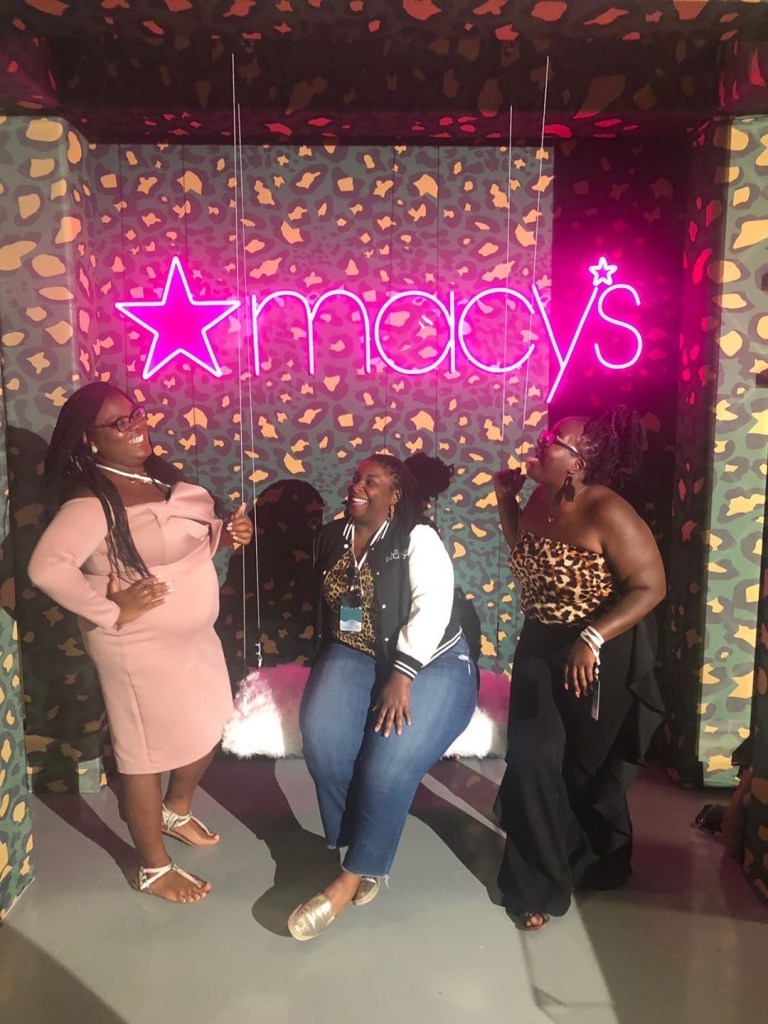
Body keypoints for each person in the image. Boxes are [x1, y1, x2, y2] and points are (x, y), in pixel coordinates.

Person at [28, 382, 253, 904]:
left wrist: (225, 535)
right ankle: (152, 866)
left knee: (212, 720)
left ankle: (176, 810)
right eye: (118, 423)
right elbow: (46, 567)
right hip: (137, 647)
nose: (135, 426)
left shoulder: (156, 475)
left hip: (195, 639)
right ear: (90, 439)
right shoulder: (92, 500)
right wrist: (112, 610)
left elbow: (173, 547)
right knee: (144, 753)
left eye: (135, 414)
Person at [289, 453, 477, 940]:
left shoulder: (417, 537)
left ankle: (350, 878)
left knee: (387, 763)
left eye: (372, 482)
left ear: (395, 496)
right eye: (356, 478)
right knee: (325, 744)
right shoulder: (333, 537)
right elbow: (340, 608)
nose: (358, 486)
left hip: (430, 660)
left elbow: (433, 606)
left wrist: (403, 671)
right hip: (356, 650)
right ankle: (359, 846)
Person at [493, 406, 666, 930]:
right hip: (539, 644)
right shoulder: (538, 499)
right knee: (531, 758)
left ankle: (594, 858)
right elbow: (525, 552)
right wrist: (505, 501)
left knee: (584, 769)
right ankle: (536, 887)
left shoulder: (608, 511)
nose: (540, 441)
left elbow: (650, 587)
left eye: (553, 438)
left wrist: (592, 637)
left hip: (598, 649)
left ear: (578, 463)